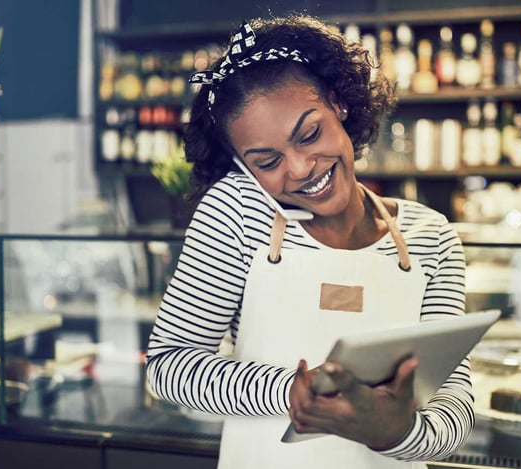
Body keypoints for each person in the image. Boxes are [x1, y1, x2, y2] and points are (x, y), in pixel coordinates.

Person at [146, 15, 473, 469]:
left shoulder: (431, 235)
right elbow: (170, 367)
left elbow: (456, 409)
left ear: (338, 104)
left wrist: (396, 431)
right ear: (243, 167)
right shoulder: (239, 210)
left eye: (310, 134)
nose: (299, 168)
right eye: (267, 160)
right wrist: (292, 391)